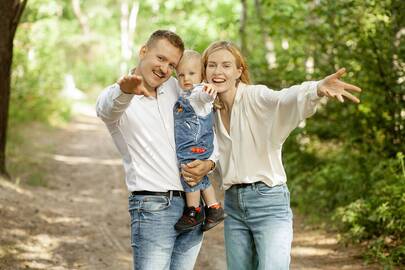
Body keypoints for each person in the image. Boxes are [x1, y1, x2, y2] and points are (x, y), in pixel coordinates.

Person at [194, 41, 362, 270]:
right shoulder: (207, 109)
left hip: (268, 202)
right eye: (211, 65)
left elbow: (284, 99)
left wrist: (315, 88)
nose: (218, 72)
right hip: (233, 205)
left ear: (238, 72)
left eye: (226, 65)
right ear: (204, 71)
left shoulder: (255, 96)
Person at [96, 30, 217, 270]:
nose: (165, 69)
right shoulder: (119, 96)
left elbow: (206, 129)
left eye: (171, 64)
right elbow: (106, 109)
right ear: (143, 52)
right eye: (160, 59)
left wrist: (210, 163)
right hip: (154, 206)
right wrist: (126, 90)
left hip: (193, 206)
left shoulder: (179, 88)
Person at [173, 50, 225, 232]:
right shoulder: (185, 93)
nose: (186, 78)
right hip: (193, 145)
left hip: (194, 147)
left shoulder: (198, 93)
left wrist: (209, 92)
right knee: (200, 177)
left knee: (189, 175)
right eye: (181, 74)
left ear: (202, 75)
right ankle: (214, 207)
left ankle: (193, 211)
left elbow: (204, 98)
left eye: (191, 73)